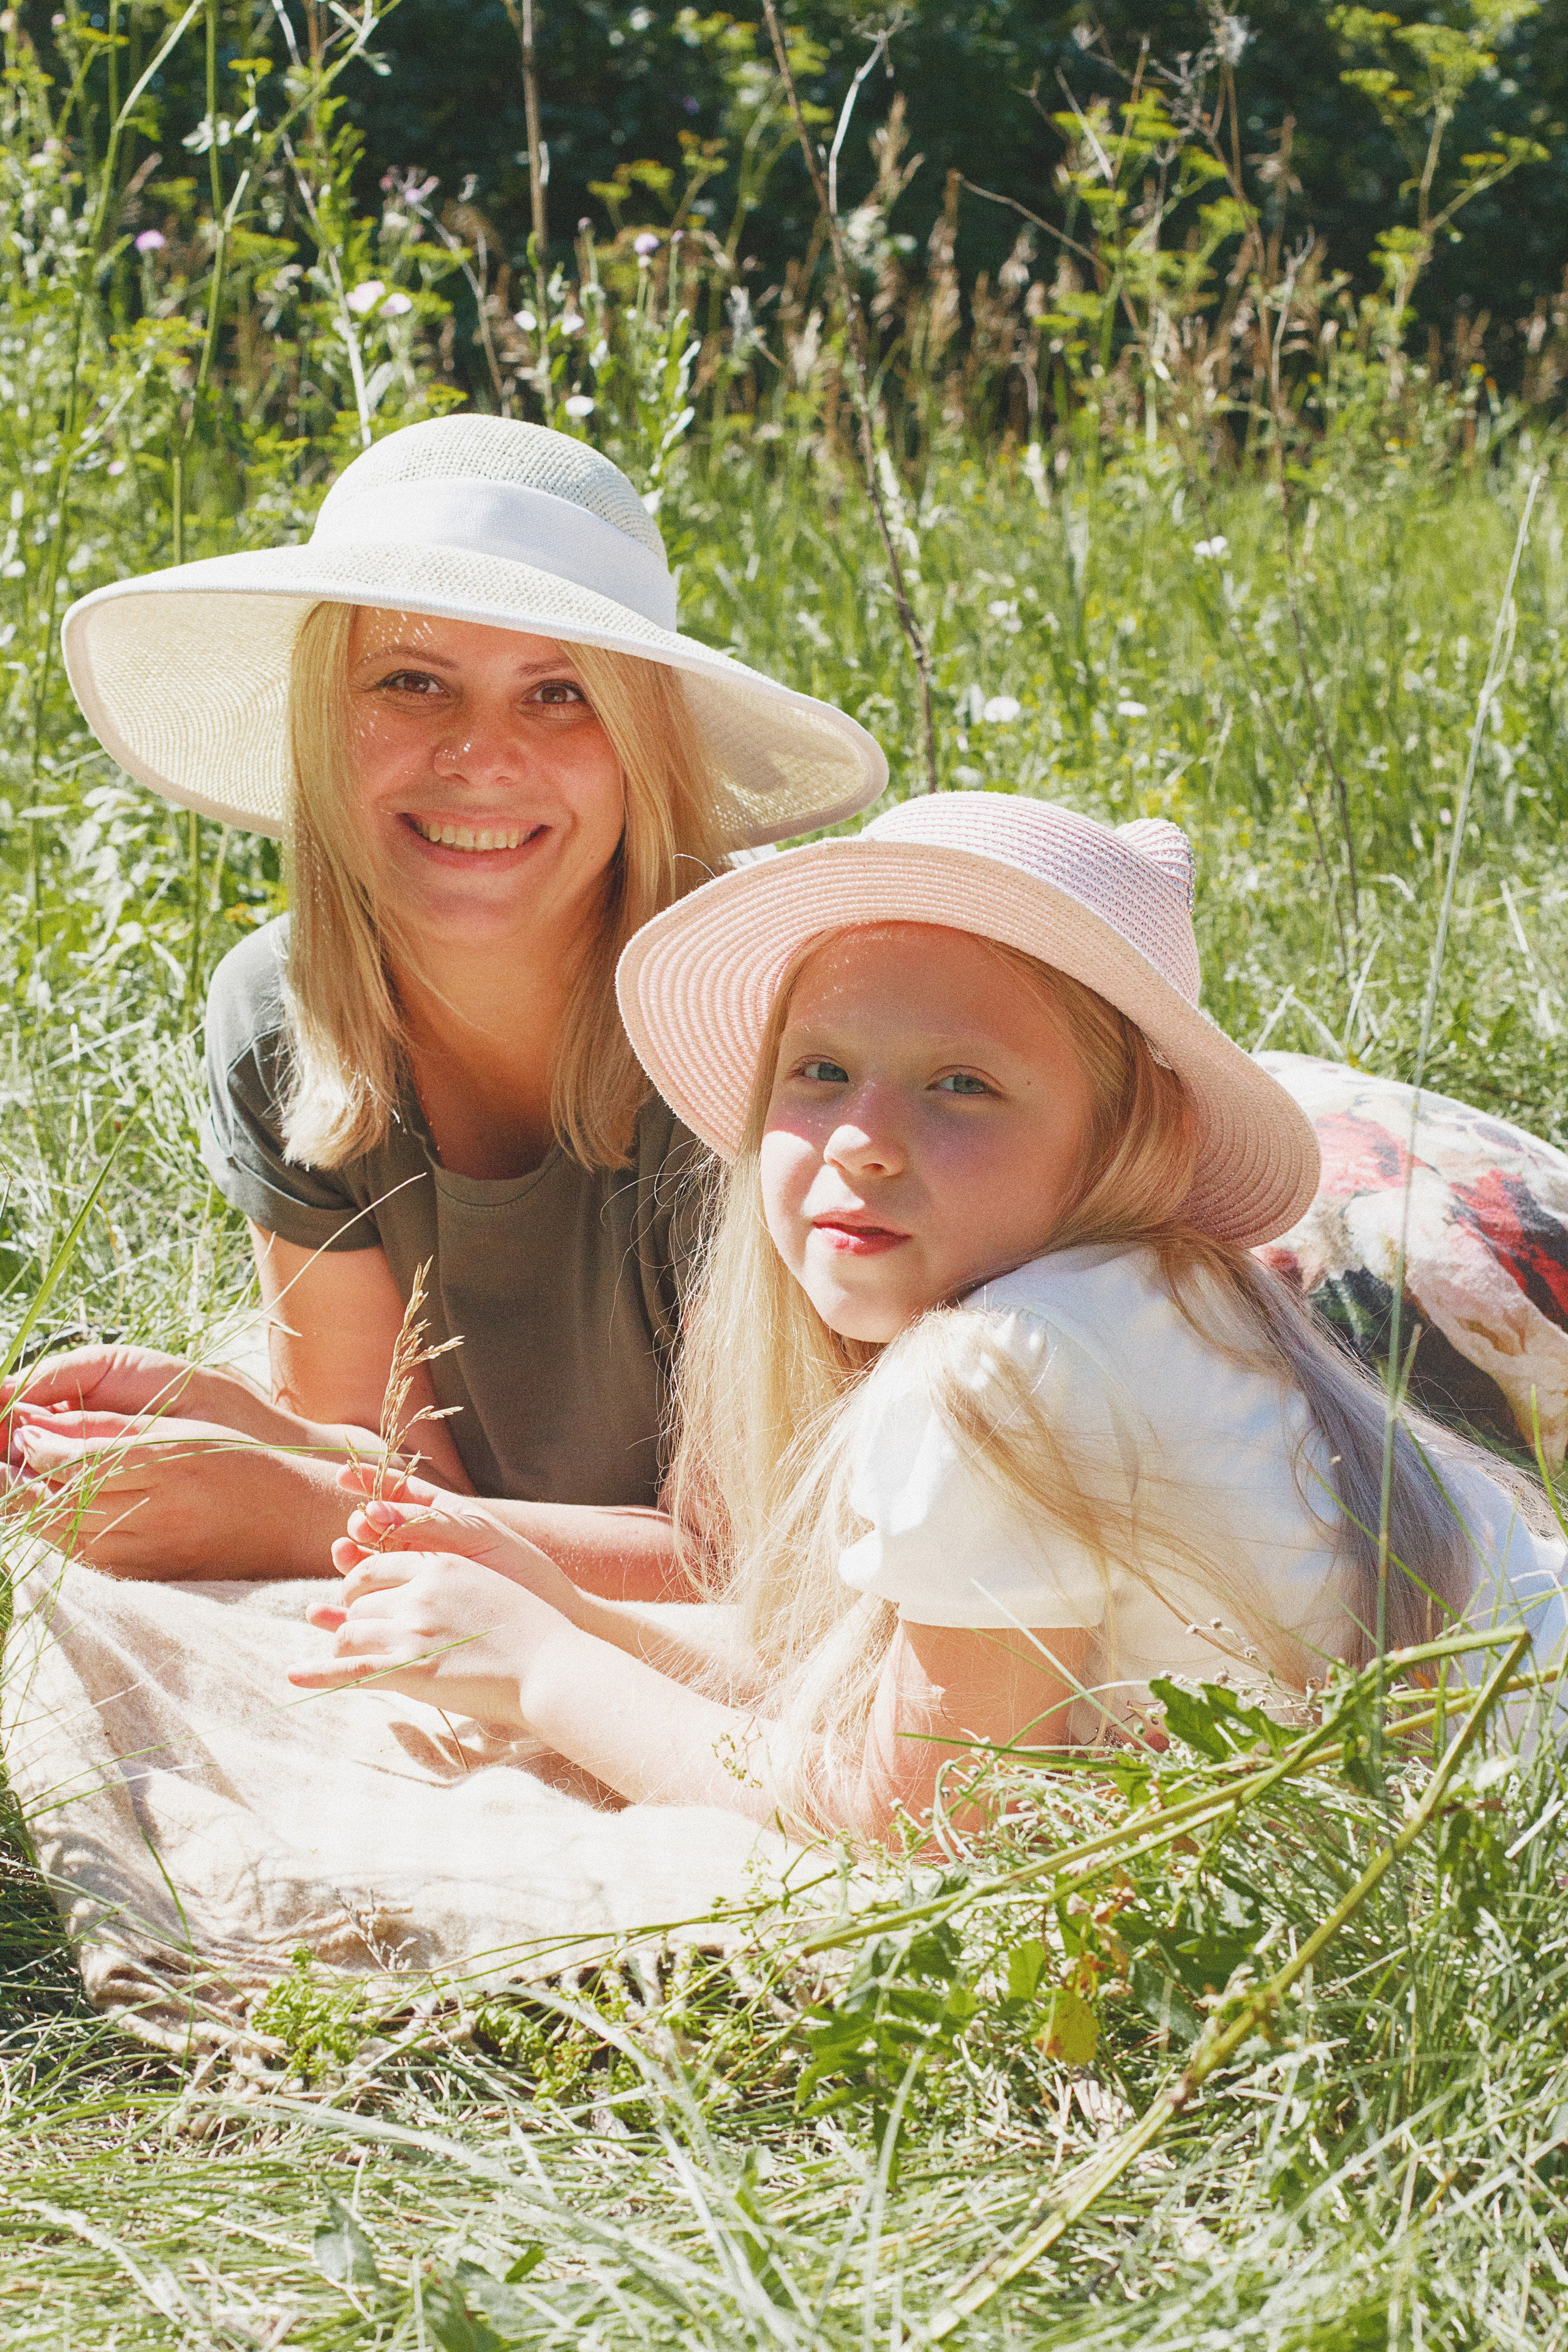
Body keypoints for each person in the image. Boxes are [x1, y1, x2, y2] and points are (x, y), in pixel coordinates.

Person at [285, 794, 1567, 1838]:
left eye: (961, 1085)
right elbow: (884, 1695)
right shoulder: (1145, 1303)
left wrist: (540, 1673)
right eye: (822, 1072)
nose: (863, 1143)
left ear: (1131, 1139)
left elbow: (915, 1813)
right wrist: (579, 1611)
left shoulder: (998, 1375)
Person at [0, 414, 884, 1587]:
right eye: (411, 682)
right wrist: (251, 1430)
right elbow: (389, 1464)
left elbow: (784, 1568)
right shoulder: (284, 1013)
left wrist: (296, 1505)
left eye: (559, 694)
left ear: (641, 748)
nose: (480, 755)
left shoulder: (760, 1017)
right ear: (325, 721)